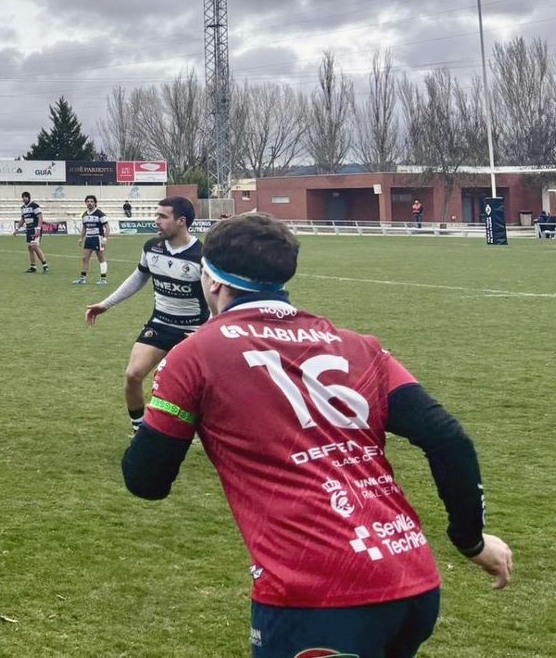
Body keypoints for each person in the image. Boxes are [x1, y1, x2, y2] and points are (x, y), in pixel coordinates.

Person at [122, 213, 513, 657]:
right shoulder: (359, 345)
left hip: (317, 595)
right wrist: (471, 540)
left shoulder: (196, 354)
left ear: (210, 281)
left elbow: (146, 481)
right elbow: (448, 440)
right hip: (412, 579)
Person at [84, 197, 205, 434]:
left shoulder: (203, 256)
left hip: (195, 331)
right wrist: (106, 304)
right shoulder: (152, 247)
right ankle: (140, 431)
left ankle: (201, 431)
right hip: (160, 324)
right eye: (156, 215)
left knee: (193, 389)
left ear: (181, 221)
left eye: (162, 216)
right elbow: (139, 277)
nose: (156, 221)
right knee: (133, 375)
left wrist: (206, 331)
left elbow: (218, 299)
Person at [77, 195, 109, 285]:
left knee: (101, 258)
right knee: (85, 258)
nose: (89, 203)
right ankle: (82, 279)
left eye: (91, 201)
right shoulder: (84, 215)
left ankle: (103, 279)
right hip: (89, 238)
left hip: (98, 238)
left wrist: (105, 238)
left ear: (95, 203)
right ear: (86, 203)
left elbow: (107, 227)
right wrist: (81, 238)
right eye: (88, 201)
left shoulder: (100, 214)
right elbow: (84, 227)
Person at [17, 191, 48, 273]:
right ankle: (33, 266)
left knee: (34, 246)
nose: (24, 198)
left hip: (35, 228)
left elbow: (40, 217)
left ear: (28, 197)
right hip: (29, 229)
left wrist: (38, 228)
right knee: (30, 247)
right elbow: (23, 219)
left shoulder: (34, 206)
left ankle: (45, 265)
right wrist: (17, 229)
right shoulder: (23, 208)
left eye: (25, 197)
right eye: (23, 197)